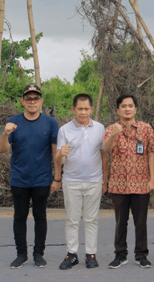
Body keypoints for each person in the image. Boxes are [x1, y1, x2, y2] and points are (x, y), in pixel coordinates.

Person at [0, 84, 60, 268]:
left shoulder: (50, 123)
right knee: (20, 217)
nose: (32, 101)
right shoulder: (13, 122)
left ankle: (39, 254)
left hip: (42, 179)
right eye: (28, 98)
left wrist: (57, 178)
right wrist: (5, 133)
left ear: (41, 101)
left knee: (40, 217)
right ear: (22, 101)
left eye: (35, 98)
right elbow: (2, 150)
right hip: (19, 179)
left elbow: (56, 152)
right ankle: (21, 254)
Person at [104, 94, 154, 269]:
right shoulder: (112, 128)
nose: (127, 109)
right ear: (118, 109)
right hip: (118, 184)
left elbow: (151, 152)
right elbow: (106, 149)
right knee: (121, 221)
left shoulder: (145, 128)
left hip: (141, 183)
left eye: (130, 105)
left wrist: (153, 179)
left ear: (136, 108)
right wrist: (113, 135)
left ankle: (141, 255)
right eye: (123, 106)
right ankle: (120, 255)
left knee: (140, 221)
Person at [54, 93, 108, 270]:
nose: (83, 112)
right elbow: (59, 160)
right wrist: (61, 155)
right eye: (80, 109)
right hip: (71, 181)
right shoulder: (64, 130)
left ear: (91, 109)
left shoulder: (100, 128)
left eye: (86, 109)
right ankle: (72, 254)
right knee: (72, 219)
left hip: (94, 180)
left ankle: (91, 254)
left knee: (92, 219)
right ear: (73, 109)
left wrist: (104, 180)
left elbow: (103, 153)